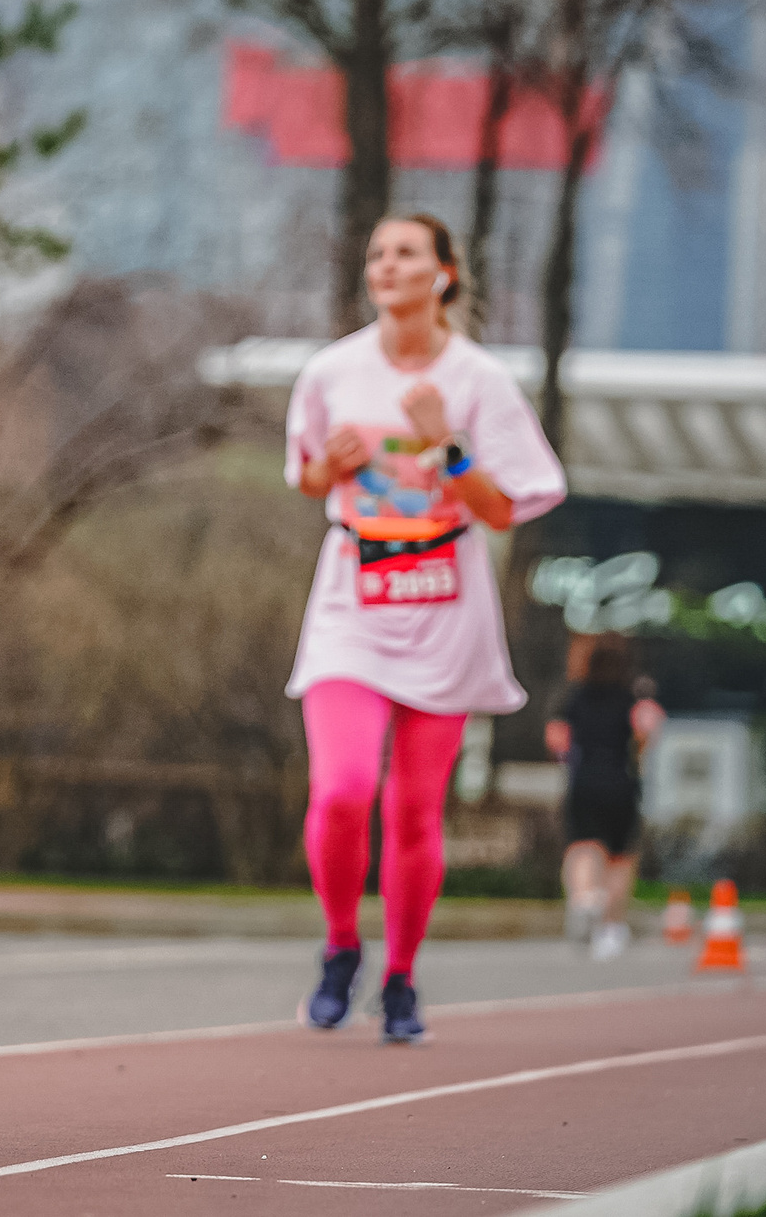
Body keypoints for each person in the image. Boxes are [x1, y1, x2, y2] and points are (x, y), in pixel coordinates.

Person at [287, 214, 567, 1044]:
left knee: (414, 812)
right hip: (352, 595)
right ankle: (342, 946)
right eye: (376, 253)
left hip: (444, 603)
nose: (387, 265)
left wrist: (446, 443)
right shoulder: (333, 369)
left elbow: (505, 505)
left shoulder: (480, 379)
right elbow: (304, 477)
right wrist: (328, 469)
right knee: (342, 791)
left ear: (444, 273)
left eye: (406, 252)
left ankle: (402, 977)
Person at [545, 635, 663, 960]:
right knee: (619, 858)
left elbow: (556, 738)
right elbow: (645, 734)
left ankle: (584, 898)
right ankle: (611, 928)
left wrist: (571, 758)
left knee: (583, 847)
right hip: (622, 782)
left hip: (584, 781)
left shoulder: (574, 697)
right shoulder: (631, 699)